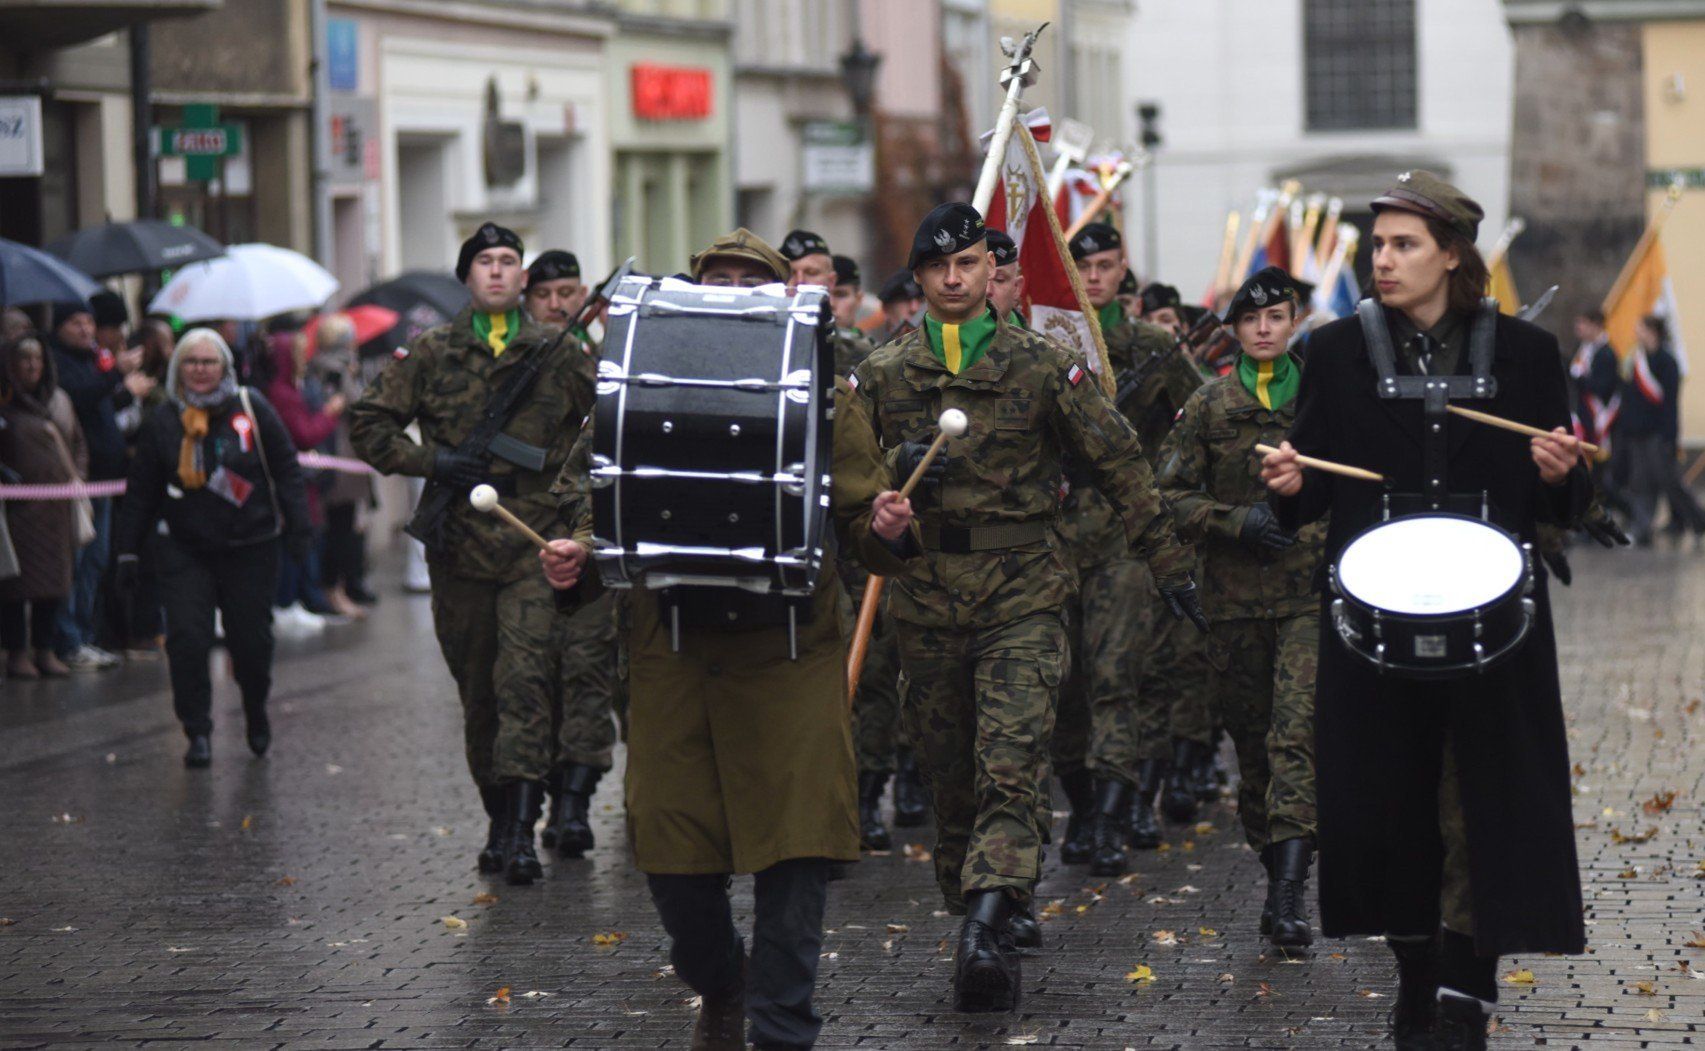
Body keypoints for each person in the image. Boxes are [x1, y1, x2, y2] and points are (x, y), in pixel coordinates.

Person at [541, 227, 917, 1050]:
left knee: (795, 854)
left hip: (787, 654)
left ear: (777, 297)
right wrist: (576, 549)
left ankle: (783, 1027)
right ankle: (722, 979)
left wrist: (886, 525)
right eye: (719, 278)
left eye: (752, 280)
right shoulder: (638, 379)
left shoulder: (818, 387)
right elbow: (598, 492)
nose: (732, 291)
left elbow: (863, 516)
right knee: (673, 858)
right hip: (673, 651)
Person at [1261, 171, 1591, 1050]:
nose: (1384, 259)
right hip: (1372, 622)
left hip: (1497, 625)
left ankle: (1459, 994)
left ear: (1451, 254)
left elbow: (1564, 497)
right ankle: (1415, 972)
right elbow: (1309, 476)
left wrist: (1565, 475)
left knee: (1481, 803)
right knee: (1384, 803)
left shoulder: (1524, 354)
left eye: (1404, 243)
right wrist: (1291, 486)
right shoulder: (1332, 352)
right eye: (1377, 244)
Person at [851, 202, 1203, 1012]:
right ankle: (985, 898)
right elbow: (845, 488)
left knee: (1010, 761)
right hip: (927, 595)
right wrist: (883, 496)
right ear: (919, 277)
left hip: (1024, 592)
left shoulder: (1043, 365)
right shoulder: (880, 374)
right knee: (951, 779)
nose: (952, 278)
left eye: (968, 264)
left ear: (987, 270)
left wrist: (1169, 564)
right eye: (937, 267)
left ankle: (983, 927)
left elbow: (1120, 465)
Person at [350, 222, 596, 886]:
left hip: (532, 541)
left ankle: (520, 827)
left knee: (525, 684)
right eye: (484, 261)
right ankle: (498, 817)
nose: (496, 271)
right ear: (467, 276)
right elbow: (368, 424)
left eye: (508, 261)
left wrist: (577, 512)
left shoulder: (557, 352)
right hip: (459, 544)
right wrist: (435, 460)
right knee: (480, 693)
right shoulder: (431, 352)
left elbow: (602, 429)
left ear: (523, 277)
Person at [1157, 266, 1324, 952]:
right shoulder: (1207, 406)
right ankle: (1273, 860)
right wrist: (1234, 522)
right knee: (1253, 746)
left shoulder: (1322, 401)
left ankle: (1288, 893)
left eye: (1276, 317)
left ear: (1292, 323)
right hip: (1231, 605)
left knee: (1296, 736)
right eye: (1251, 319)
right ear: (1234, 328)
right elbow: (1168, 494)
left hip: (1308, 596)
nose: (1263, 328)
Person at [1068, 223, 1214, 862]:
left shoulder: (1152, 346)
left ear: (1122, 268)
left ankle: (1110, 816)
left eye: (1104, 265)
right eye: (1083, 266)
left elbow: (1209, 414)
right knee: (1063, 686)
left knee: (1114, 675)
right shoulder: (1047, 345)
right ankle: (1081, 805)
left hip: (1127, 538)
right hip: (1052, 540)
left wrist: (1167, 481)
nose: (1094, 277)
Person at [113, 329, 311, 767]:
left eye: (209, 362)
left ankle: (256, 707)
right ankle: (197, 729)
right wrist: (127, 551)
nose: (200, 370)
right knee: (187, 639)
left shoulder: (250, 407)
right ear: (177, 368)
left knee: (251, 644)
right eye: (191, 362)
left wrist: (300, 528)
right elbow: (141, 492)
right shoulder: (163, 420)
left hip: (250, 545)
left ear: (225, 367)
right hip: (186, 549)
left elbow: (286, 468)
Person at [519, 247, 621, 859]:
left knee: (588, 670)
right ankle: (522, 809)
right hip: (520, 539)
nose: (558, 306)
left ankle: (575, 806)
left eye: (568, 294)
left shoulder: (607, 361)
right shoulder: (521, 359)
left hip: (590, 534)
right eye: (545, 296)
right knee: (530, 679)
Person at [0, 335, 86, 679]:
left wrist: (78, 478)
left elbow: (78, 443)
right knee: (16, 588)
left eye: (37, 359)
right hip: (18, 513)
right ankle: (17, 651)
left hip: (56, 511)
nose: (32, 366)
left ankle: (45, 649)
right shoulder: (5, 408)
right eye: (24, 359)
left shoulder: (58, 402)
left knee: (54, 584)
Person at [47, 302, 125, 671]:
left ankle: (86, 635)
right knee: (76, 563)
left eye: (89, 321)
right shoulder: (58, 363)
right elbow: (78, 397)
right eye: (75, 322)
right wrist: (116, 376)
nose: (85, 328)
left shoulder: (95, 360)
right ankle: (68, 639)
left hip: (106, 478)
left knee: (96, 562)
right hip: (78, 480)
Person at [268, 330, 350, 626]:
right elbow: (304, 433)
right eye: (298, 354)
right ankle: (289, 600)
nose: (304, 359)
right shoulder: (282, 394)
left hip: (308, 480)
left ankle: (304, 596)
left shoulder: (297, 388)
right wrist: (329, 413)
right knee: (297, 538)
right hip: (295, 480)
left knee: (309, 534)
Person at [1619, 314, 1704, 544]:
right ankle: (1641, 531)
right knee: (1641, 484)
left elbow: (1669, 403)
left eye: (1641, 328)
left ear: (1653, 331)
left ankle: (1699, 523)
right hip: (1636, 433)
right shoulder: (1636, 359)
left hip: (1658, 433)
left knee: (1671, 483)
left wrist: (1670, 436)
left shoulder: (1666, 361)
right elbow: (1628, 395)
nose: (1636, 332)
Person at [870, 270, 923, 344]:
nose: (914, 308)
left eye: (921, 301)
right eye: (905, 300)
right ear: (886, 309)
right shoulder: (869, 352)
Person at [985, 230, 1025, 326]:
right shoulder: (944, 339)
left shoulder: (1038, 341)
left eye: (999, 279)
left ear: (1016, 288)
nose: (987, 290)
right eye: (980, 278)